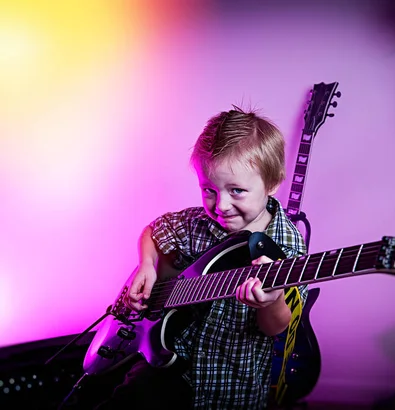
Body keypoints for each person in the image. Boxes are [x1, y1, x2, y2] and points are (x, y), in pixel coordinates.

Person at [93, 106, 308, 410]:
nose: (221, 205)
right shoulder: (198, 223)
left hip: (230, 385)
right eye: (208, 190)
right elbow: (153, 231)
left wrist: (271, 301)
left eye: (237, 191)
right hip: (166, 363)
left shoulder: (287, 244)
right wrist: (147, 265)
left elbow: (277, 328)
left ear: (271, 185)